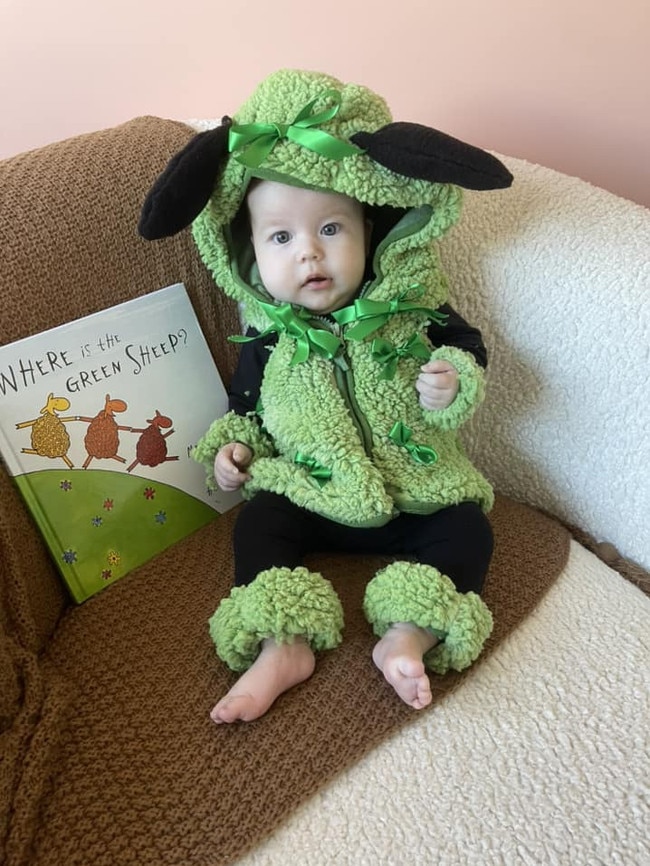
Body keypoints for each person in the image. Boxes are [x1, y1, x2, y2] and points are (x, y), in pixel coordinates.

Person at [138, 68, 513, 724]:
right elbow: (247, 408)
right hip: (315, 495)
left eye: (331, 229)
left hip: (416, 492)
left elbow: (465, 347)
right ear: (248, 256)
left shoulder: (409, 307)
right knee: (259, 523)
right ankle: (284, 644)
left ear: (371, 227)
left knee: (469, 531)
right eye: (281, 237)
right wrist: (234, 450)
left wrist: (450, 378)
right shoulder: (267, 338)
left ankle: (410, 633)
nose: (309, 253)